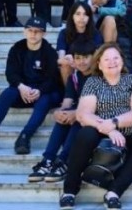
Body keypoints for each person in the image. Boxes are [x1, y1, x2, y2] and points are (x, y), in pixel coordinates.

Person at [59, 43, 132, 210]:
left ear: (122, 61)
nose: (112, 62)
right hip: (99, 130)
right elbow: (83, 114)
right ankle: (70, 190)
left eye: (116, 58)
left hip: (127, 130)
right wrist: (109, 129)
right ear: (100, 64)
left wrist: (115, 122)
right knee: (85, 134)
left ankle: (114, 193)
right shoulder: (93, 82)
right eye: (107, 59)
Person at [0, 17, 60, 155]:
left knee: (46, 99)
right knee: (7, 94)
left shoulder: (49, 52)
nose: (33, 34)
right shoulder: (17, 49)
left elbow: (52, 79)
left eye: (37, 31)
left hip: (42, 92)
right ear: (24, 31)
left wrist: (39, 91)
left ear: (44, 34)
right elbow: (11, 73)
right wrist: (21, 87)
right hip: (23, 90)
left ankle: (24, 137)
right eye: (30, 30)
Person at [27, 40, 96, 183]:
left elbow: (100, 106)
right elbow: (67, 100)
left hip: (96, 117)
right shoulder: (74, 77)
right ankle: (48, 160)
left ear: (94, 57)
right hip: (80, 113)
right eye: (77, 58)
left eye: (85, 57)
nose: (81, 61)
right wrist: (60, 112)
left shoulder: (99, 77)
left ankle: (64, 161)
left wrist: (76, 114)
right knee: (64, 116)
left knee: (78, 119)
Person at [56, 2, 103, 85]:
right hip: (71, 66)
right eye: (78, 14)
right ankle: (69, 94)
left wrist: (81, 63)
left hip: (89, 66)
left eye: (85, 14)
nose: (81, 18)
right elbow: (60, 59)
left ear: (89, 17)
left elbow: (97, 56)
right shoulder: (64, 33)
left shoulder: (95, 33)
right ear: (72, 16)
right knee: (65, 65)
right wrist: (69, 60)